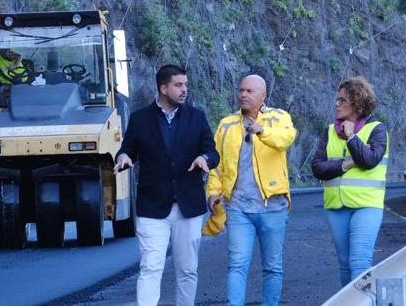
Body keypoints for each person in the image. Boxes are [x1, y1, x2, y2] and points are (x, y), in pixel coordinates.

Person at [114, 64, 219, 306]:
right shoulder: (140, 119)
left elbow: (212, 152)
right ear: (163, 88)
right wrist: (124, 157)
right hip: (153, 207)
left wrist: (204, 159)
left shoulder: (197, 116)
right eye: (178, 85)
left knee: (188, 270)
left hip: (189, 206)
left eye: (186, 85)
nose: (185, 90)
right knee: (150, 267)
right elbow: (127, 149)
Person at [206, 74, 296, 306]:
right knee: (237, 264)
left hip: (273, 206)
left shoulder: (279, 118)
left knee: (273, 268)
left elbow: (286, 138)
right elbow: (218, 164)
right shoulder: (226, 124)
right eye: (241, 90)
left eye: (249, 91)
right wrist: (213, 192)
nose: (243, 95)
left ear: (263, 95)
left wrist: (261, 131)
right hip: (238, 207)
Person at [311, 77, 389, 287]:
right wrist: (345, 165)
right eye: (337, 100)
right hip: (336, 207)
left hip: (366, 206)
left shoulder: (377, 130)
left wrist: (352, 137)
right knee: (345, 264)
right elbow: (317, 167)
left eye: (342, 100)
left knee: (360, 263)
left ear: (357, 103)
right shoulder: (329, 131)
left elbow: (369, 160)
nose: (336, 104)